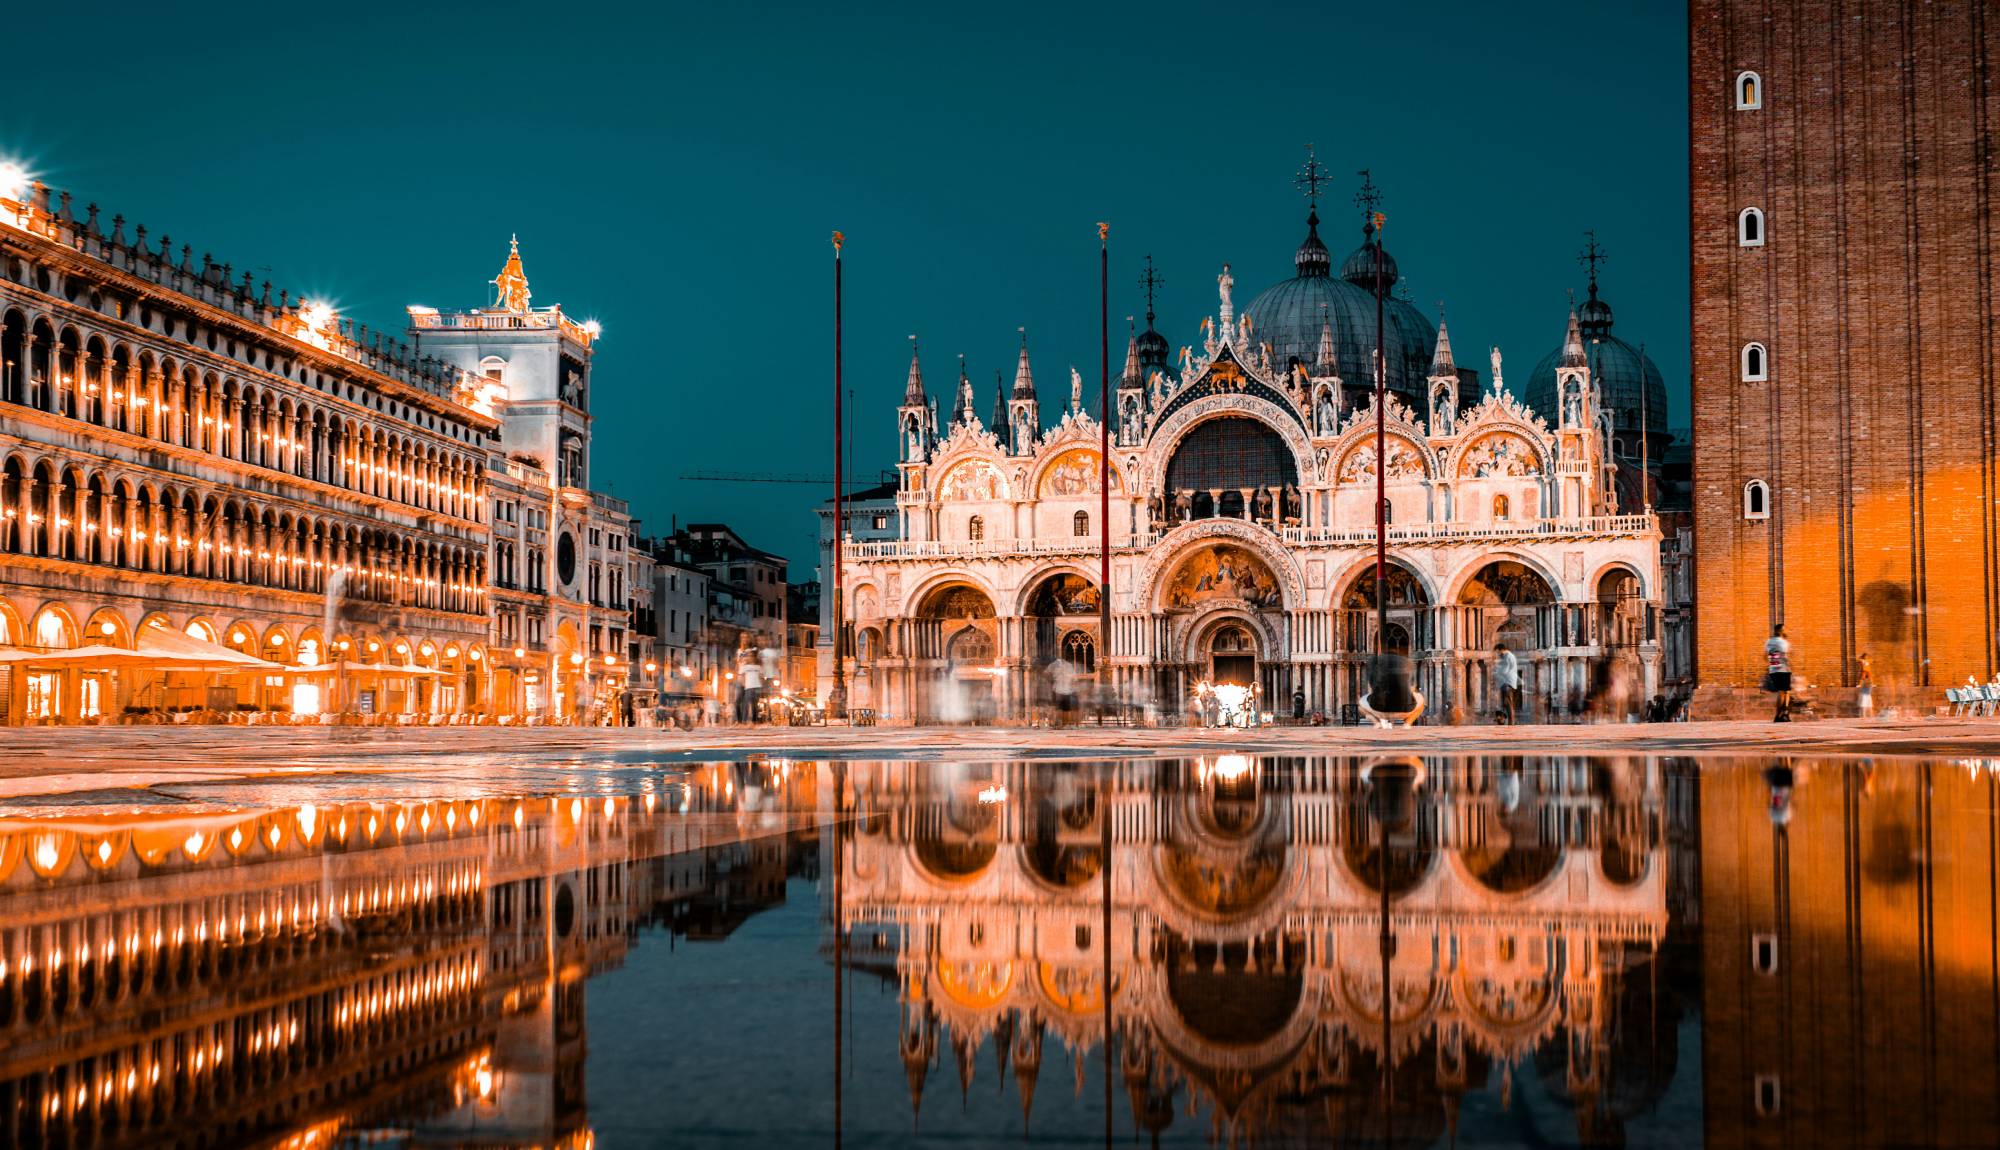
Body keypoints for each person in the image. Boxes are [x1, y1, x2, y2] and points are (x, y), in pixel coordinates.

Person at [1765, 625, 1792, 722]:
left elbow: (1765, 656)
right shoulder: (1783, 642)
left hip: (1773, 669)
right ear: (1781, 631)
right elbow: (1786, 656)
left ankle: (1784, 713)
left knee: (1785, 691)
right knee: (1783, 692)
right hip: (1783, 669)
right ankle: (1779, 715)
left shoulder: (1769, 642)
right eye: (1785, 629)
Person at [1493, 643, 1521, 725]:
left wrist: (1497, 670)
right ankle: (1504, 720)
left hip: (1507, 682)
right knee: (1506, 703)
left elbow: (1505, 670)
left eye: (1498, 652)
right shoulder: (1508, 656)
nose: (1498, 654)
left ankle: (1510, 723)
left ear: (1501, 649)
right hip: (1508, 682)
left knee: (1508, 703)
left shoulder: (1508, 656)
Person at [1856, 652, 1874, 718]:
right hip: (1864, 670)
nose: (1866, 657)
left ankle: (1870, 715)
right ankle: (1859, 684)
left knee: (1869, 678)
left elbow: (1872, 660)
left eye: (1867, 656)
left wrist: (1870, 659)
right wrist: (1861, 658)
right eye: (1865, 656)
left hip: (1868, 671)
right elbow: (1858, 660)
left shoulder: (1868, 661)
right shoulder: (1863, 661)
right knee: (1862, 677)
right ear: (1863, 657)